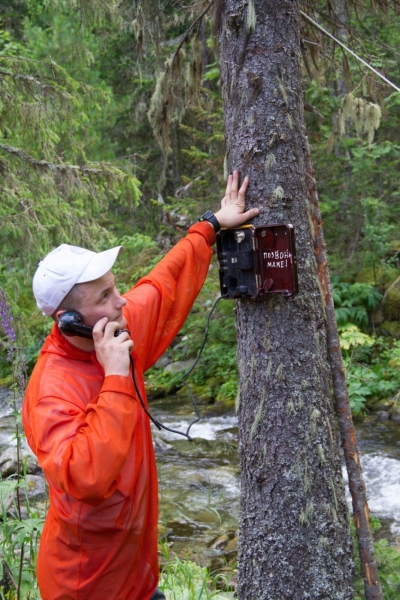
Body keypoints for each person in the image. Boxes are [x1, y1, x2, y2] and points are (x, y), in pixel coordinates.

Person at [22, 172, 258, 600]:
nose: (121, 301)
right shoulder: (51, 388)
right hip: (85, 586)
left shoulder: (115, 332)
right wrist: (114, 377)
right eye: (104, 297)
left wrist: (212, 225)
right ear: (68, 320)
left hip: (136, 578)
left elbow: (161, 286)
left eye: (114, 289)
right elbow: (87, 476)